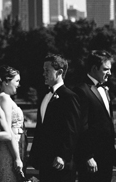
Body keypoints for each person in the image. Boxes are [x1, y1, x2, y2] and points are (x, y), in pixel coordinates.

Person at [29, 54, 80, 182]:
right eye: (43, 70)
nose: (43, 74)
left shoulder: (69, 97)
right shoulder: (45, 96)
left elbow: (72, 130)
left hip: (60, 163)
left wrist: (62, 156)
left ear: (60, 72)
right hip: (45, 161)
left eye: (47, 70)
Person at [73, 50, 116, 182]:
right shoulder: (81, 90)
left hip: (106, 157)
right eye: (105, 69)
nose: (109, 73)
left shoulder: (105, 89)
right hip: (92, 159)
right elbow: (81, 126)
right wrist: (87, 156)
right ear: (94, 68)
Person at [0, 66, 26, 182]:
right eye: (17, 81)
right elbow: (7, 130)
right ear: (6, 82)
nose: (18, 85)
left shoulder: (7, 98)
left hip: (14, 146)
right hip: (9, 149)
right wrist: (17, 158)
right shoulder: (4, 98)